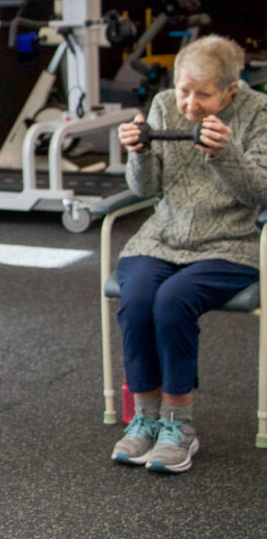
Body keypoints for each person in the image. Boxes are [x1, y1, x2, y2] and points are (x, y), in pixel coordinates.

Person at [112, 35, 267, 473]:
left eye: (204, 94)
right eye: (184, 90)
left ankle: (179, 426)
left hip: (228, 243)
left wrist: (224, 154)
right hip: (162, 237)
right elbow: (145, 189)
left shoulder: (258, 114)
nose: (190, 104)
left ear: (231, 91)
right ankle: (145, 418)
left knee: (173, 301)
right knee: (138, 298)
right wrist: (138, 153)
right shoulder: (163, 105)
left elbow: (261, 191)